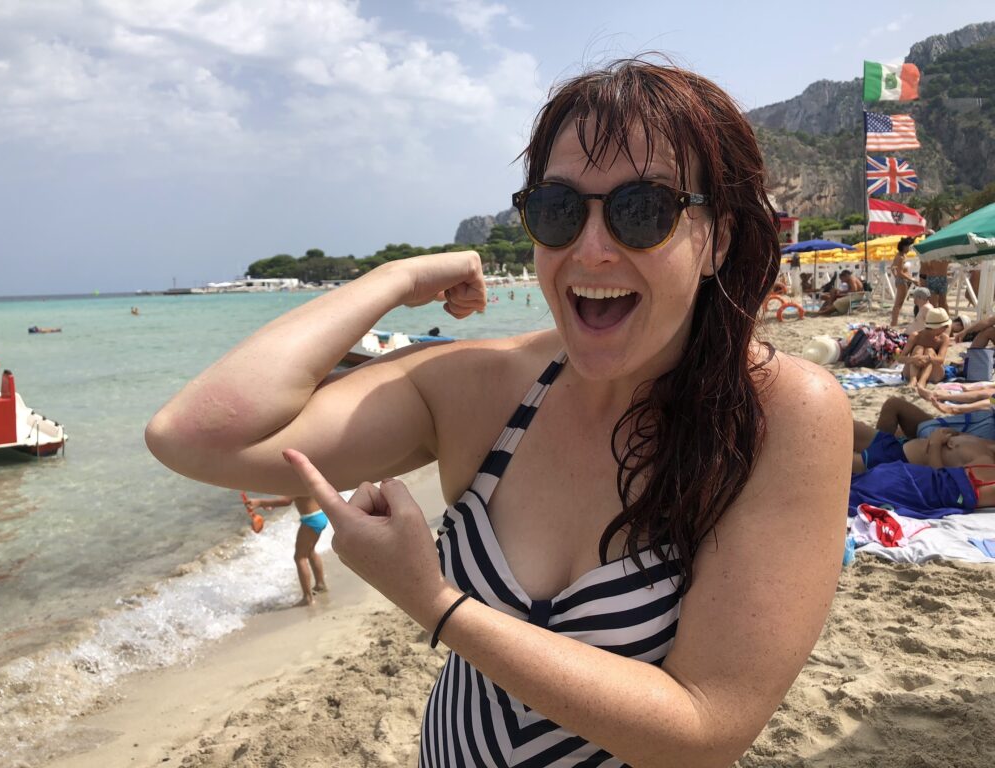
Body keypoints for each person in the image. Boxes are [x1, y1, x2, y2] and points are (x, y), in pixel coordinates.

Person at [146, 57, 850, 766]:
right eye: (559, 211)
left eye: (644, 210)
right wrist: (394, 280)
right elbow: (197, 436)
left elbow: (705, 729)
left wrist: (436, 603)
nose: (592, 250)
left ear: (717, 241)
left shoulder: (778, 416)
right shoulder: (488, 388)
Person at [244, 495, 329, 605]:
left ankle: (308, 598)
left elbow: (286, 500)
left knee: (299, 557)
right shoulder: (306, 478)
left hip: (311, 519)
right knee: (310, 551)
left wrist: (260, 502)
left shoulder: (297, 479)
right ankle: (320, 585)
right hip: (319, 514)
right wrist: (268, 504)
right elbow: (296, 498)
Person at [852, 421, 995, 473]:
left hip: (895, 460)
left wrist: (935, 444)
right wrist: (951, 433)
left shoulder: (986, 463)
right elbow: (961, 436)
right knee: (845, 425)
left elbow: (942, 483)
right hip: (899, 443)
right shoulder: (988, 442)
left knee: (837, 459)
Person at [898, 307, 952, 397]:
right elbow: (900, 358)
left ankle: (921, 382)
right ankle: (913, 380)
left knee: (929, 351)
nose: (946, 328)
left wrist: (927, 358)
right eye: (945, 326)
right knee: (918, 348)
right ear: (937, 327)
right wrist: (913, 359)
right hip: (913, 370)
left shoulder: (944, 338)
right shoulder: (915, 336)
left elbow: (941, 360)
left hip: (933, 374)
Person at [888, 236, 920, 326]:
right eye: (909, 247)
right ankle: (894, 323)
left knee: (899, 303)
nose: (909, 248)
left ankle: (894, 322)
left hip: (901, 280)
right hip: (902, 281)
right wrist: (912, 280)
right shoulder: (900, 257)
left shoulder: (901, 256)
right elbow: (900, 272)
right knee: (898, 303)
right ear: (904, 246)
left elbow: (892, 268)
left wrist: (896, 277)